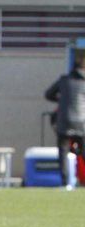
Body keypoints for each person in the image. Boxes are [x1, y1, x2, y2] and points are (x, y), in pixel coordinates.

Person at [44, 53, 85, 189]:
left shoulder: (63, 80)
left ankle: (66, 183)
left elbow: (48, 94)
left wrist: (61, 101)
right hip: (81, 123)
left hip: (64, 122)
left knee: (63, 152)